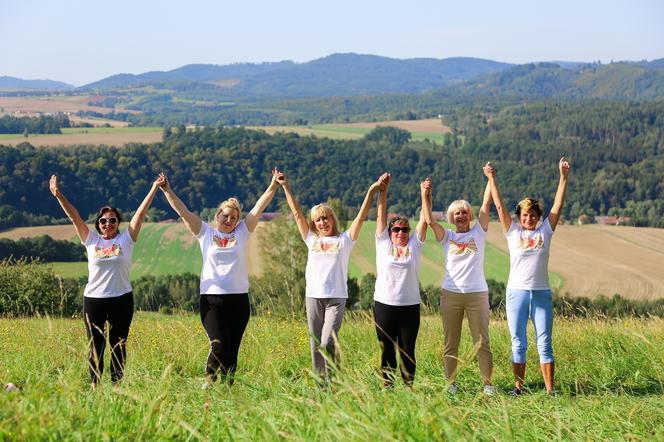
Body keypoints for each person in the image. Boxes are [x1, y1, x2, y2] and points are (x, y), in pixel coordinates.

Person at [158, 169, 283, 387]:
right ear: (217, 216)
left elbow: (259, 207)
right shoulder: (205, 233)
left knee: (233, 348)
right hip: (211, 300)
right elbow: (183, 212)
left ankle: (228, 390)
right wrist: (167, 190)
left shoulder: (242, 232)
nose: (228, 219)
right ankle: (209, 380)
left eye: (233, 217)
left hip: (239, 300)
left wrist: (273, 184)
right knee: (218, 345)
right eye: (225, 215)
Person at [49, 174, 164, 390]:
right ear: (98, 225)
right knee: (95, 346)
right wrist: (58, 196)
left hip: (122, 299)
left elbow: (140, 213)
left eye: (112, 220)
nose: (107, 224)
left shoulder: (126, 239)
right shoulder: (91, 240)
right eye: (103, 221)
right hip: (94, 300)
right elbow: (75, 217)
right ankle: (95, 385)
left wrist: (154, 188)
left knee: (118, 345)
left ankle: (117, 386)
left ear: (118, 223)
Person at [279, 172, 387, 379]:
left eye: (325, 218)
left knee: (327, 341)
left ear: (332, 219)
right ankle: (323, 387)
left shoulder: (345, 240)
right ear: (314, 224)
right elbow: (296, 214)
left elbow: (361, 217)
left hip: (336, 298)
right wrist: (286, 187)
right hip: (313, 297)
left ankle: (335, 376)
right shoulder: (311, 240)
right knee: (316, 344)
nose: (322, 222)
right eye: (318, 220)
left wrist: (372, 191)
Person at [485, 157, 571, 395]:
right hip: (517, 293)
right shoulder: (512, 232)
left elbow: (557, 206)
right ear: (519, 217)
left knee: (544, 342)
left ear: (538, 216)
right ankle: (518, 388)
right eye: (524, 215)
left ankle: (550, 390)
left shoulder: (546, 230)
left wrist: (563, 177)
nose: (529, 219)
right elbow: (500, 206)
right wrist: (491, 179)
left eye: (532, 215)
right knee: (518, 342)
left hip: (541, 293)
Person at [421, 170, 496, 396]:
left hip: (477, 294)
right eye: (456, 213)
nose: (461, 216)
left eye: (464, 212)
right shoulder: (448, 237)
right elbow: (428, 220)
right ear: (451, 217)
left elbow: (486, 203)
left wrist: (490, 179)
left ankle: (488, 385)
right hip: (451, 294)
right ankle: (451, 384)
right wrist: (425, 195)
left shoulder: (479, 232)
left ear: (469, 214)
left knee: (482, 342)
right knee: (450, 342)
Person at [372, 173, 427, 387]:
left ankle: (409, 385)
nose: (401, 232)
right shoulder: (383, 244)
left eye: (405, 229)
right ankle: (388, 384)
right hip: (385, 304)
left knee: (407, 348)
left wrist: (425, 194)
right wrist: (383, 190)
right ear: (390, 232)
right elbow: (380, 215)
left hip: (410, 305)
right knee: (386, 348)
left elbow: (424, 218)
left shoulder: (414, 245)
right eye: (396, 229)